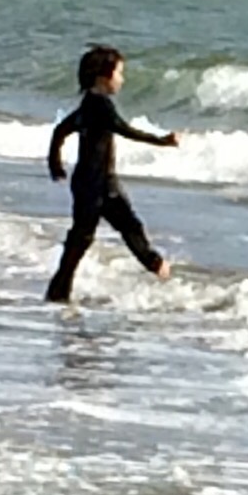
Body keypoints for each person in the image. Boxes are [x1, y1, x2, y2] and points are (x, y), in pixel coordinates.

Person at [43, 45, 179, 304]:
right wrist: (163, 140)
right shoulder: (102, 107)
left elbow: (60, 130)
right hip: (101, 184)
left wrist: (55, 163)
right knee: (129, 226)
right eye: (119, 73)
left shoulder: (87, 105)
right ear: (103, 78)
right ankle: (156, 265)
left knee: (81, 238)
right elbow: (125, 130)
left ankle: (58, 290)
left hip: (84, 181)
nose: (122, 80)